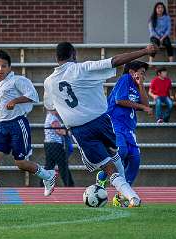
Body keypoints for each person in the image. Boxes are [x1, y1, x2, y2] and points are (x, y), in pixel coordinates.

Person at [44, 42, 157, 207]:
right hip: (101, 121)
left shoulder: (48, 82)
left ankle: (131, 196)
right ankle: (129, 196)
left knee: (107, 167)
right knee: (115, 155)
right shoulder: (82, 68)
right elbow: (115, 60)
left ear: (56, 58)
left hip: (79, 130)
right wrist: (145, 51)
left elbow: (49, 105)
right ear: (74, 55)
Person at [0, 50, 56, 207]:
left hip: (17, 124)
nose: (0, 69)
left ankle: (48, 176)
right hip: (2, 125)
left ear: (9, 68)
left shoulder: (17, 80)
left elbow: (33, 95)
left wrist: (16, 100)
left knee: (20, 163)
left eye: (4, 66)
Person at [96, 61, 152, 207]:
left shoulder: (137, 86)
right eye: (141, 71)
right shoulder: (125, 79)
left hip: (129, 128)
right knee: (122, 151)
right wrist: (142, 107)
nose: (143, 75)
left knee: (135, 159)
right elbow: (119, 100)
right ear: (132, 72)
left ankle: (121, 196)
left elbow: (146, 105)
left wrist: (141, 85)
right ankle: (102, 175)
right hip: (115, 122)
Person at [43, 109, 75, 187]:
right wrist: (68, 133)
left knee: (49, 166)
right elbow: (58, 130)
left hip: (49, 145)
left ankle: (42, 184)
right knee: (63, 165)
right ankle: (69, 185)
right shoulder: (52, 118)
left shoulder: (50, 116)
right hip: (55, 145)